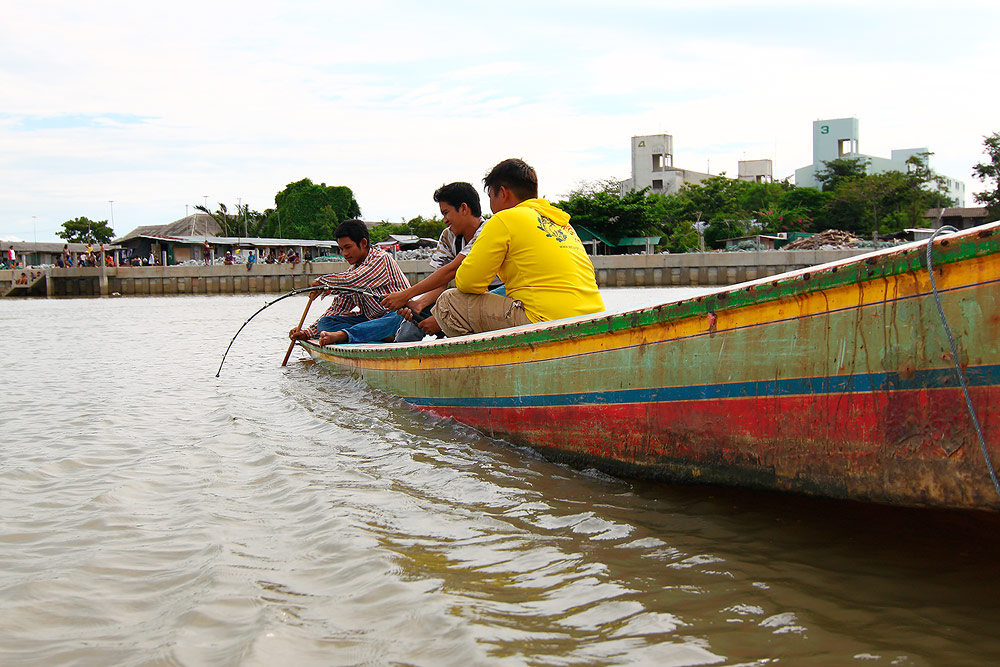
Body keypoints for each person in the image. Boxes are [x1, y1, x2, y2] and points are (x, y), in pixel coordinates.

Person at [432, 158, 604, 337]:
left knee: (448, 302)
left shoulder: (503, 219)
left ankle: (489, 362)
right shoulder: (561, 222)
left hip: (545, 322)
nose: (491, 206)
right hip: (594, 318)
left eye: (491, 197)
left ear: (504, 193)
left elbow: (467, 282)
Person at [381, 181, 500, 342]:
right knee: (409, 328)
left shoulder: (488, 231)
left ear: (464, 208)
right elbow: (440, 282)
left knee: (447, 319)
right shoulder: (448, 236)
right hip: (462, 298)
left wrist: (406, 295)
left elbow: (450, 271)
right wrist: (418, 304)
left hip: (492, 297)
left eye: (446, 213)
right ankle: (401, 355)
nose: (444, 220)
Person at [288, 219, 410, 346]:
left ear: (363, 243)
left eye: (348, 247)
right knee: (325, 323)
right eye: (341, 249)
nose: (344, 254)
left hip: (397, 317)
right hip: (372, 321)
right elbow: (339, 307)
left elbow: (352, 280)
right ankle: (376, 334)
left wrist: (322, 283)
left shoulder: (381, 259)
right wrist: (307, 333)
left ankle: (346, 335)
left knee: (399, 316)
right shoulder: (352, 271)